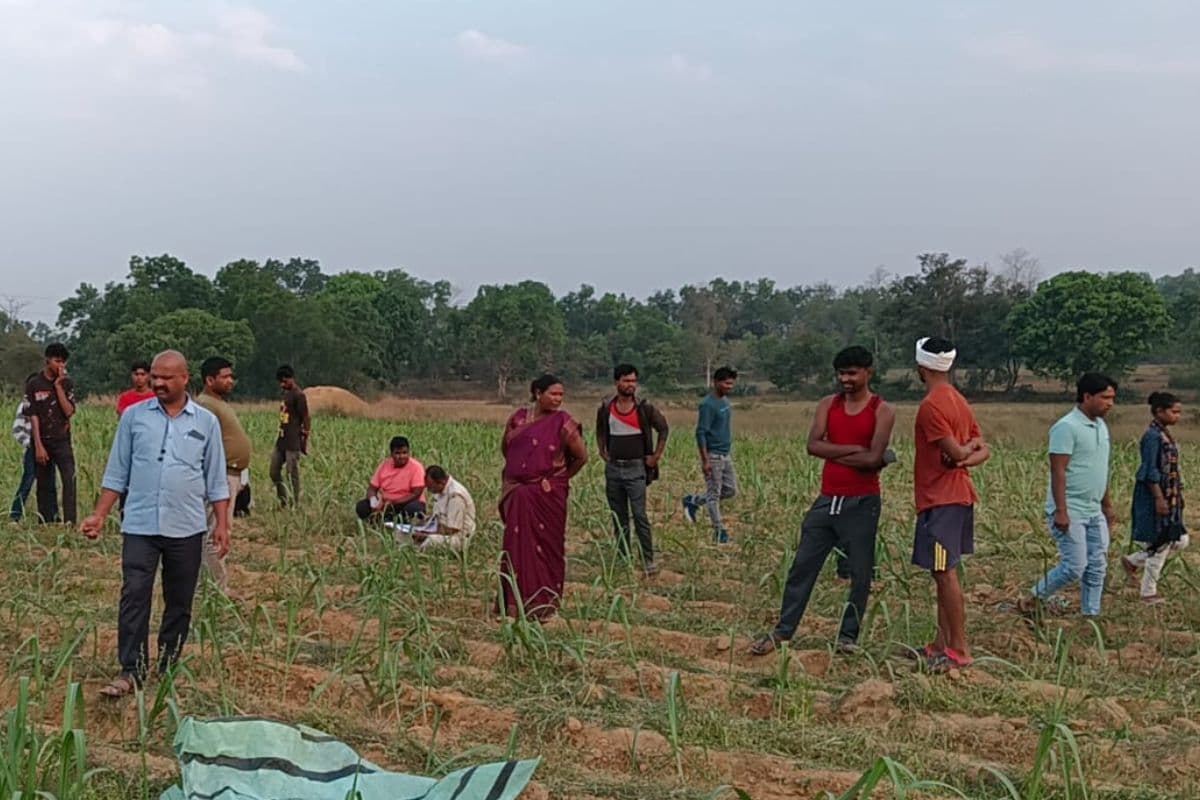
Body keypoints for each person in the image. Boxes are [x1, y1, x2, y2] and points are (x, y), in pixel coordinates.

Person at [80, 350, 230, 698]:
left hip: (187, 526)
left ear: (184, 378)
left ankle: (167, 666)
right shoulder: (134, 418)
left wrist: (222, 524)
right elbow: (117, 471)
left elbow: (216, 480)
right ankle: (130, 670)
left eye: (166, 378)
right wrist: (100, 514)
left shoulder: (205, 422)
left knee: (179, 600)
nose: (158, 383)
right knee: (134, 594)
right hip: (140, 523)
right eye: (155, 377)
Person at [751, 346, 896, 656]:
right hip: (827, 500)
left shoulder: (882, 410)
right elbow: (813, 446)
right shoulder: (828, 405)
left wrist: (845, 451)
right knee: (802, 566)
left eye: (852, 373)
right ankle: (783, 630)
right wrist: (857, 450)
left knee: (859, 573)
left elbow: (872, 460)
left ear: (868, 372)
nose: (845, 379)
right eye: (841, 373)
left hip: (862, 502)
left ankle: (847, 638)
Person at [911, 337, 990, 672]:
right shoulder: (958, 400)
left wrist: (961, 456)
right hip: (956, 498)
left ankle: (958, 649)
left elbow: (957, 452)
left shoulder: (932, 407)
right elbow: (981, 448)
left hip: (940, 501)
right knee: (941, 571)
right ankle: (940, 643)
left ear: (921, 368)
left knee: (945, 573)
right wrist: (969, 451)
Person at [1018, 373, 1117, 619]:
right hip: (1070, 508)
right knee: (1075, 566)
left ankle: (1090, 615)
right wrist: (1061, 511)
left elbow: (1099, 468)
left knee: (1097, 566)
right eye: (1105, 397)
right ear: (1087, 396)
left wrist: (1107, 505)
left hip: (1094, 509)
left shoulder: (1101, 427)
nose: (1110, 403)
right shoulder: (1066, 427)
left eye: (1112, 398)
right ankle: (1033, 598)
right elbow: (1058, 470)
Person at [499, 374, 588, 620]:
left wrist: (559, 479)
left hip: (547, 495)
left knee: (546, 548)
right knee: (515, 548)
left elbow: (581, 456)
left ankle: (544, 604)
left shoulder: (563, 423)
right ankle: (514, 604)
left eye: (561, 395)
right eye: (553, 394)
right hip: (519, 493)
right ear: (538, 394)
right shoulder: (518, 419)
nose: (558, 399)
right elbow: (507, 449)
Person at [595, 364, 670, 575]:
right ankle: (623, 558)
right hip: (614, 469)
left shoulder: (644, 408)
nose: (631, 385)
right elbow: (600, 430)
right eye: (626, 381)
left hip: (637, 468)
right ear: (617, 382)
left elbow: (663, 429)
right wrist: (602, 451)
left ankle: (648, 560)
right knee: (618, 517)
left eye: (634, 381)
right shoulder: (606, 407)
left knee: (639, 515)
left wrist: (656, 456)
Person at [1123, 392, 1188, 605]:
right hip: (1155, 497)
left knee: (1180, 540)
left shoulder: (1164, 434)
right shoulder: (1152, 437)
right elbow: (1149, 470)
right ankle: (1148, 592)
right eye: (1174, 411)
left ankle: (1134, 560)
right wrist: (1159, 499)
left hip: (1170, 496)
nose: (1178, 415)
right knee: (1161, 545)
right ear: (1160, 411)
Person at [194, 357, 252, 593]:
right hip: (221, 474)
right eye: (225, 377)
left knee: (221, 530)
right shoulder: (205, 404)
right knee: (216, 532)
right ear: (210, 380)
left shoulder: (217, 402)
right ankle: (215, 589)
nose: (231, 381)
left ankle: (212, 585)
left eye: (231, 376)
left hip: (232, 473)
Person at [683, 366, 738, 544]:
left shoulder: (725, 402)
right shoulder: (708, 405)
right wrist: (705, 460)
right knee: (714, 495)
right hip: (713, 455)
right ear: (716, 382)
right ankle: (719, 531)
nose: (729, 386)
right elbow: (701, 433)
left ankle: (694, 501)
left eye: (731, 383)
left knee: (730, 490)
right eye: (726, 383)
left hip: (725, 454)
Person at [25, 342, 77, 525]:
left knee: (69, 479)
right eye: (57, 361)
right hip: (42, 439)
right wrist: (38, 445)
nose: (60, 366)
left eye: (63, 362)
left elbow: (69, 411)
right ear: (47, 360)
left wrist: (58, 387)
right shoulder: (34, 384)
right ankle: (47, 521)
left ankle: (70, 521)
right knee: (45, 484)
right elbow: (33, 416)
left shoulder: (66, 383)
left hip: (62, 440)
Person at [356, 436, 427, 522]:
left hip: (406, 503)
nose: (401, 456)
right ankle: (379, 522)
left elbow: (416, 493)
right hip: (385, 505)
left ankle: (401, 525)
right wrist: (374, 502)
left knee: (414, 509)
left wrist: (393, 503)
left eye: (405, 453)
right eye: (397, 453)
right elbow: (372, 488)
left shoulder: (416, 467)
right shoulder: (384, 465)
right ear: (391, 454)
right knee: (362, 506)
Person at [10, 398, 57, 522]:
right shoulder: (25, 405)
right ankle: (15, 515)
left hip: (49, 446)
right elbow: (17, 429)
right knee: (27, 481)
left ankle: (52, 516)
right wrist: (29, 444)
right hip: (32, 447)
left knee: (50, 482)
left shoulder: (51, 403)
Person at [269, 365, 310, 506]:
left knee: (291, 472)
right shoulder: (285, 393)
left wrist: (305, 437)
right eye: (281, 381)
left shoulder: (299, 395)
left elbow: (305, 417)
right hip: (281, 439)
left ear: (292, 378)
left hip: (293, 440)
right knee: (274, 471)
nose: (282, 384)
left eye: (285, 381)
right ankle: (283, 499)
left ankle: (295, 502)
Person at [415, 465, 477, 552]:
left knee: (431, 541)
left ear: (441, 482)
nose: (428, 489)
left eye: (430, 486)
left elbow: (453, 529)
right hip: (439, 530)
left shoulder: (455, 496)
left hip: (458, 537)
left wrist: (427, 533)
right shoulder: (440, 491)